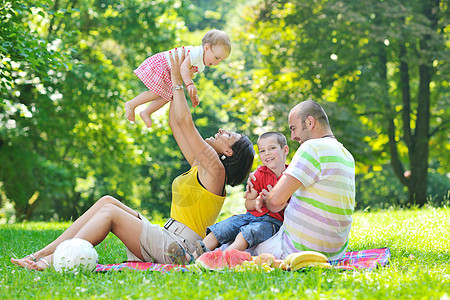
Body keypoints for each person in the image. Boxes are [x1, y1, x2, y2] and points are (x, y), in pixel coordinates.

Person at [10, 47, 254, 270]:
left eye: (228, 135)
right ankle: (39, 254)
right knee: (108, 202)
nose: (222, 131)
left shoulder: (215, 170)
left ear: (229, 152)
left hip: (179, 249)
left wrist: (179, 81)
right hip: (167, 237)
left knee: (110, 215)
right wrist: (172, 79)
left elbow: (185, 122)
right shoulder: (202, 166)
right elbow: (175, 123)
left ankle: (47, 263)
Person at [252, 100, 355, 261]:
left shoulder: (312, 148)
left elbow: (276, 201)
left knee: (241, 236)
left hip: (297, 249)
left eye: (294, 129)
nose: (293, 137)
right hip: (334, 253)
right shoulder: (346, 154)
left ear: (310, 122)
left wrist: (266, 199)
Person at [168, 131, 289, 262]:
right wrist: (257, 202)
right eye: (262, 151)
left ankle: (220, 259)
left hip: (271, 222)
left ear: (285, 150)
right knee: (221, 228)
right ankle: (192, 257)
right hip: (251, 216)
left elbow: (295, 205)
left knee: (247, 234)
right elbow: (248, 205)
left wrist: (278, 202)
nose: (267, 153)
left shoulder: (290, 177)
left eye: (272, 148)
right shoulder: (258, 174)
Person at [125, 29, 231, 128]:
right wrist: (190, 84)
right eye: (216, 57)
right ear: (206, 48)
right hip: (163, 65)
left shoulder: (201, 64)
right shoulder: (196, 52)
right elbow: (183, 67)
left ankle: (147, 112)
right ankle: (131, 104)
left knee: (168, 96)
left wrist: (193, 94)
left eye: (220, 60)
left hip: (170, 73)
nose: (217, 63)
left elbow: (188, 76)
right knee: (155, 93)